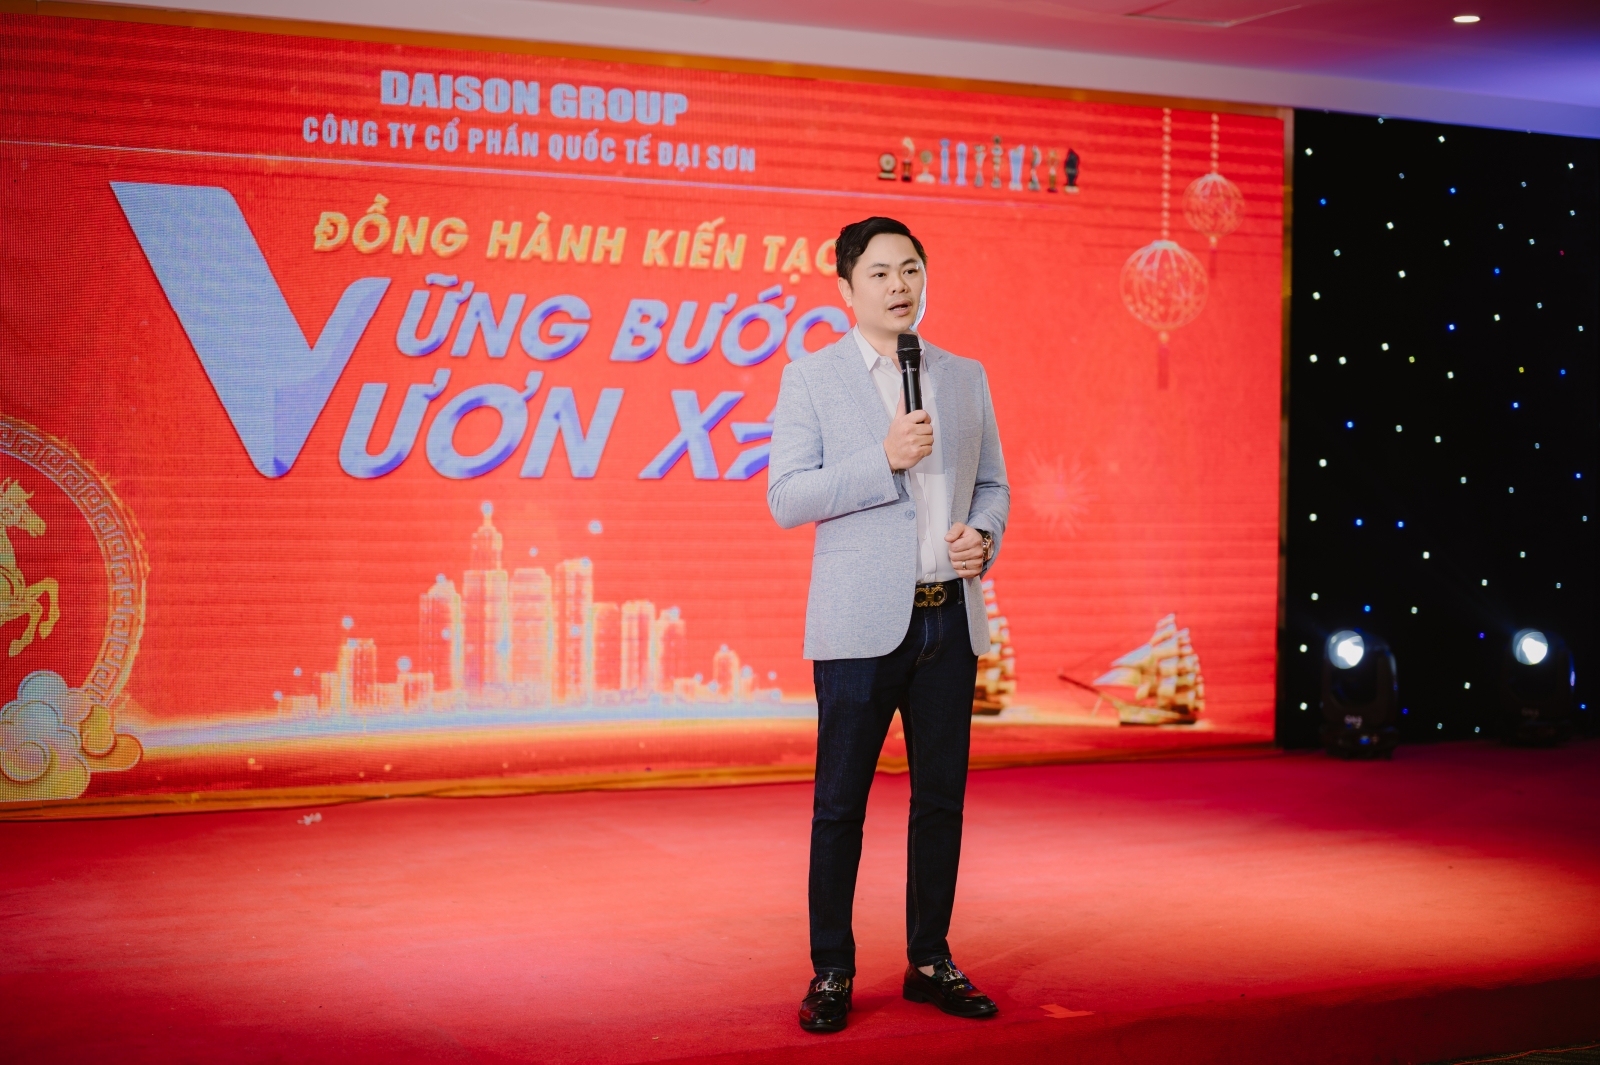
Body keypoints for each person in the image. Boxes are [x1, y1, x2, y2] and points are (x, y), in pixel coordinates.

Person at [767, 216, 1010, 1034]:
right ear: (846, 288)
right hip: (858, 629)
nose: (899, 285)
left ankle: (930, 958)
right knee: (840, 805)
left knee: (941, 800)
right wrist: (884, 458)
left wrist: (984, 535)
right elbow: (787, 496)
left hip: (949, 622)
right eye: (880, 273)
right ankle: (832, 968)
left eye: (911, 269)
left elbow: (994, 485)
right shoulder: (811, 378)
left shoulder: (964, 375)